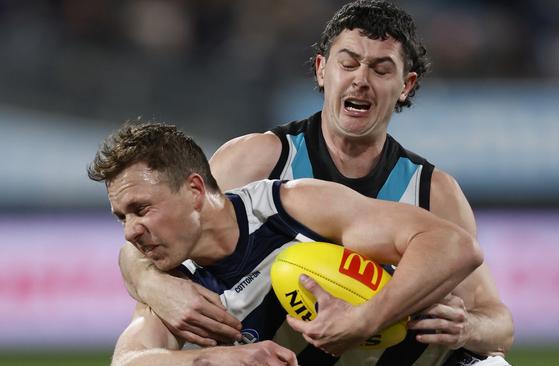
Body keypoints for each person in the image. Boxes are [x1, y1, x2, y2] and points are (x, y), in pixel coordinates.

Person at [118, 1, 515, 365]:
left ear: (406, 86)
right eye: (349, 63)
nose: (361, 80)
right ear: (323, 70)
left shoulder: (433, 191)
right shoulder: (256, 159)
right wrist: (153, 285)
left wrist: (469, 328)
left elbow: (497, 322)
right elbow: (164, 233)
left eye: (380, 69)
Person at [88, 122, 482, 366]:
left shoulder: (291, 206)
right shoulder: (170, 282)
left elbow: (451, 244)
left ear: (194, 190)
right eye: (122, 217)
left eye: (141, 209)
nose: (130, 231)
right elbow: (130, 360)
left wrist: (365, 319)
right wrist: (222, 359)